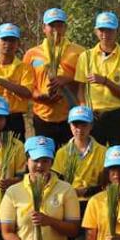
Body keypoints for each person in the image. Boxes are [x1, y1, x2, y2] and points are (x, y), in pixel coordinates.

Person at [22, 8, 86, 150]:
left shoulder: (80, 52)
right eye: (52, 25)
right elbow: (26, 84)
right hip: (43, 116)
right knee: (45, 156)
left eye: (59, 25)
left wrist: (67, 79)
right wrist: (39, 96)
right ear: (44, 28)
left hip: (71, 117)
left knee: (69, 157)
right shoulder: (32, 54)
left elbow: (86, 82)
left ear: (65, 27)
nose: (56, 30)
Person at [51, 105, 107, 240]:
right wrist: (69, 191)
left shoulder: (103, 152)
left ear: (91, 126)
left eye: (84, 125)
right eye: (75, 125)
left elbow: (105, 184)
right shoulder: (62, 153)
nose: (79, 129)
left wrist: (85, 191)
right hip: (68, 204)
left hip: (93, 203)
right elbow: (56, 181)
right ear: (70, 126)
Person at [74, 11, 120, 147]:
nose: (105, 34)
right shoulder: (86, 57)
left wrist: (105, 81)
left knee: (119, 156)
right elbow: (81, 90)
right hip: (93, 117)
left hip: (117, 116)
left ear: (117, 31)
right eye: (102, 30)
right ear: (95, 31)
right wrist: (84, 110)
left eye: (110, 30)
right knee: (94, 155)